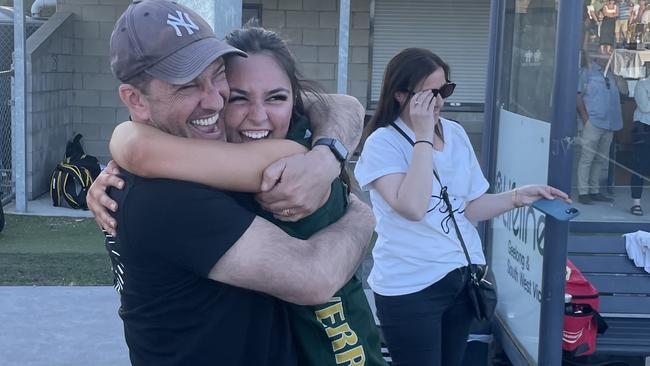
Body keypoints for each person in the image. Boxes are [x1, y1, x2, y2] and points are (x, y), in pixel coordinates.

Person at [90, 25, 387, 366]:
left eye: (277, 97)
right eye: (238, 97)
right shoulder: (170, 189)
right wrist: (362, 218)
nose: (258, 116)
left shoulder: (300, 163)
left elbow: (340, 104)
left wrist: (326, 155)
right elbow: (314, 277)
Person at [353, 48, 570, 366]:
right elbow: (412, 206)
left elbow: (468, 208)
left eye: (446, 90)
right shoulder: (382, 143)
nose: (440, 101)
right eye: (430, 94)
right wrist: (423, 137)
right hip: (410, 286)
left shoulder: (454, 133)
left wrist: (516, 197)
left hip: (461, 279)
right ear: (401, 95)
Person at [576, 48, 624, 205]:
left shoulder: (612, 75)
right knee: (587, 158)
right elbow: (577, 95)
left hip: (609, 123)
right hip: (593, 122)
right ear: (598, 55)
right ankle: (583, 192)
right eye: (605, 54)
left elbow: (625, 91)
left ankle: (594, 190)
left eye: (611, 54)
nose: (608, 57)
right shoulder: (587, 72)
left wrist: (617, 75)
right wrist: (585, 118)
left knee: (600, 159)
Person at [630, 74, 650, 216]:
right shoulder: (643, 84)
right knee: (639, 166)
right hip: (644, 128)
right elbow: (645, 107)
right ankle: (636, 203)